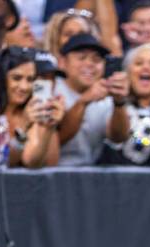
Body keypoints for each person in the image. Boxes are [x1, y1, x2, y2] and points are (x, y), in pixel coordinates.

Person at [0, 46, 65, 168]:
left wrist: (49, 127)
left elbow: (31, 161)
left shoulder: (31, 111)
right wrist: (22, 127)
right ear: (1, 78)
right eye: (16, 78)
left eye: (30, 79)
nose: (24, 87)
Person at [55, 33, 130, 165]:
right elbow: (58, 140)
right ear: (62, 62)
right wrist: (83, 101)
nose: (89, 64)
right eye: (82, 57)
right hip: (52, 173)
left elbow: (118, 138)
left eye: (96, 59)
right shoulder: (53, 89)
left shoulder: (105, 97)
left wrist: (119, 102)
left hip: (90, 175)